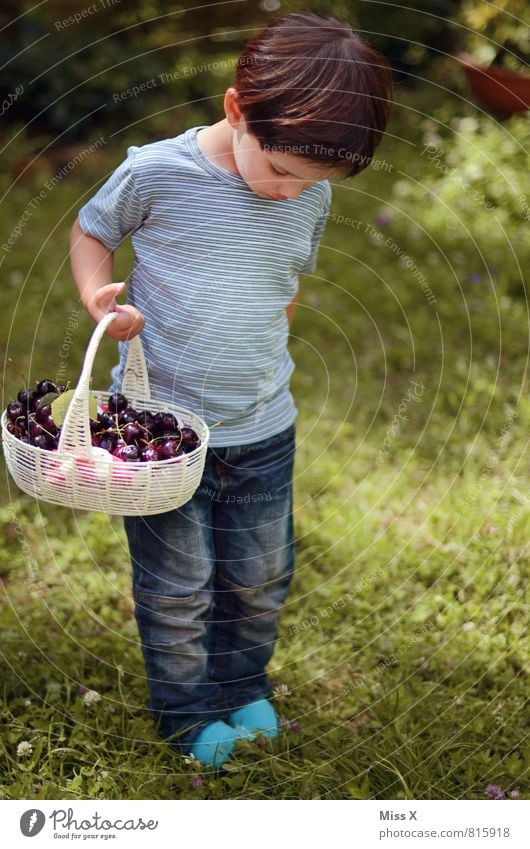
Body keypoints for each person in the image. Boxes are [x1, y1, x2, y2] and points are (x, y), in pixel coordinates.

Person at [69, 11, 393, 768]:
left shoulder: (306, 191)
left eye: (311, 184)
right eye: (281, 171)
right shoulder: (155, 172)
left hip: (262, 428)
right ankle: (184, 710)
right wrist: (98, 298)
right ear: (236, 111)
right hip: (160, 431)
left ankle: (241, 682)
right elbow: (90, 230)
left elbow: (280, 283)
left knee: (259, 573)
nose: (290, 194)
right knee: (178, 584)